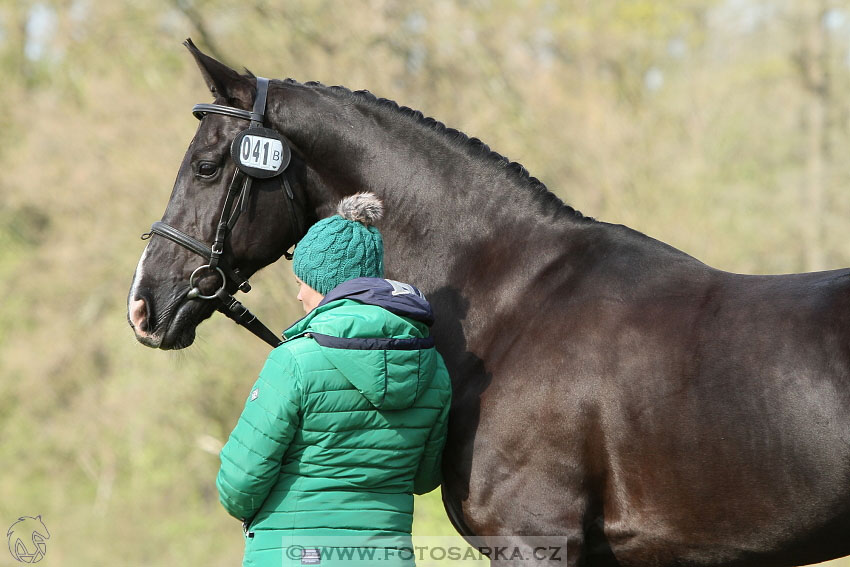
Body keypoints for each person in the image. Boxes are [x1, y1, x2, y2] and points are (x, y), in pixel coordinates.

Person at [216, 192, 452, 567]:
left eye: (301, 282)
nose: (297, 295)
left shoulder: (294, 361)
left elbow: (239, 486)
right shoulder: (434, 368)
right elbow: (424, 478)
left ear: (326, 283)